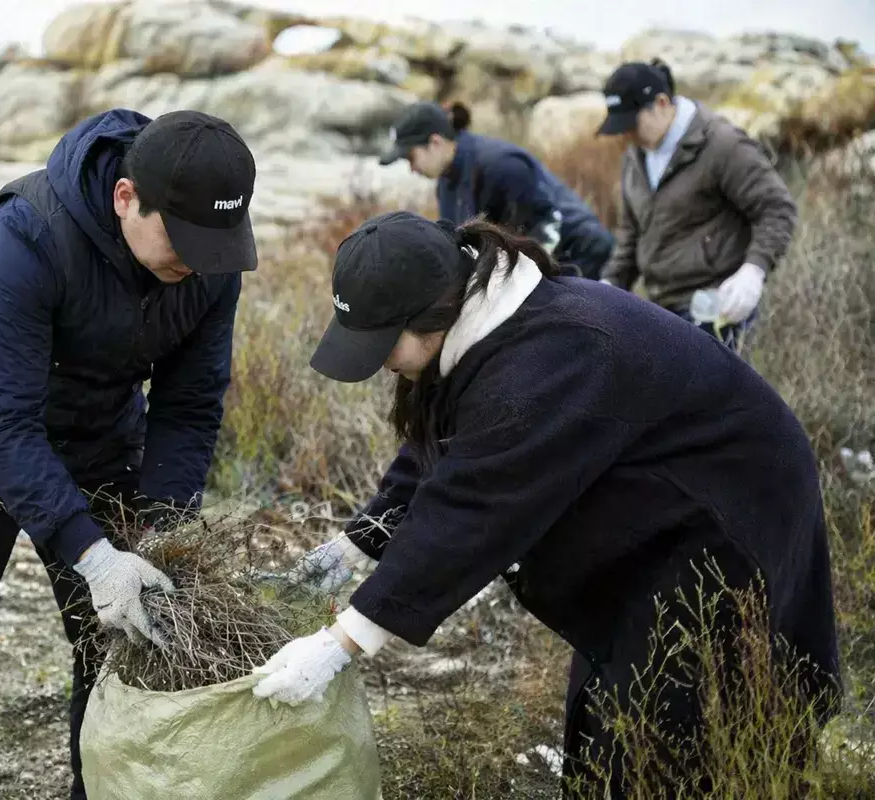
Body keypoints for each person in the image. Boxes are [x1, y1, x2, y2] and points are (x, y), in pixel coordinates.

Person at [254, 211, 841, 795]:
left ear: (433, 316)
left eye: (383, 343)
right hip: (667, 515)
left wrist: (341, 643)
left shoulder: (547, 361)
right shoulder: (486, 324)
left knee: (670, 728)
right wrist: (361, 543)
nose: (381, 361)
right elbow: (449, 449)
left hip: (726, 524)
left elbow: (471, 509)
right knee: (604, 709)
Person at [0, 108, 259, 799]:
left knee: (123, 639)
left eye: (212, 245)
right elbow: (2, 424)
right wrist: (91, 556)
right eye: (181, 240)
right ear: (126, 198)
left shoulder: (209, 259)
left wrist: (157, 533)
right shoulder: (27, 232)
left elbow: (189, 406)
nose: (196, 262)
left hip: (98, 431)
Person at [596, 59, 798, 352]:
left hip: (716, 306)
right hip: (663, 308)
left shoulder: (722, 145)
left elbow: (776, 208)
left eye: (631, 123)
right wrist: (609, 287)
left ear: (661, 103)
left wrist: (754, 271)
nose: (625, 135)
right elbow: (631, 234)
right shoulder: (634, 158)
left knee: (709, 394)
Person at [379, 101, 615, 280]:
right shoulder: (447, 183)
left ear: (435, 142)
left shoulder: (500, 165)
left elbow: (546, 227)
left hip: (579, 255)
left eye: (411, 157)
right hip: (538, 261)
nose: (411, 169)